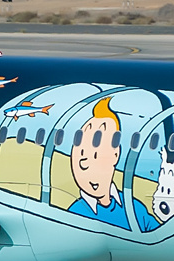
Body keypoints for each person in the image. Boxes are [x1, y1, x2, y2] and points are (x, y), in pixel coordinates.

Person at [65, 97, 157, 230]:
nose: (85, 165)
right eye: (82, 157)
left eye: (96, 155)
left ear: (116, 154)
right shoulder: (74, 214)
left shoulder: (134, 208)